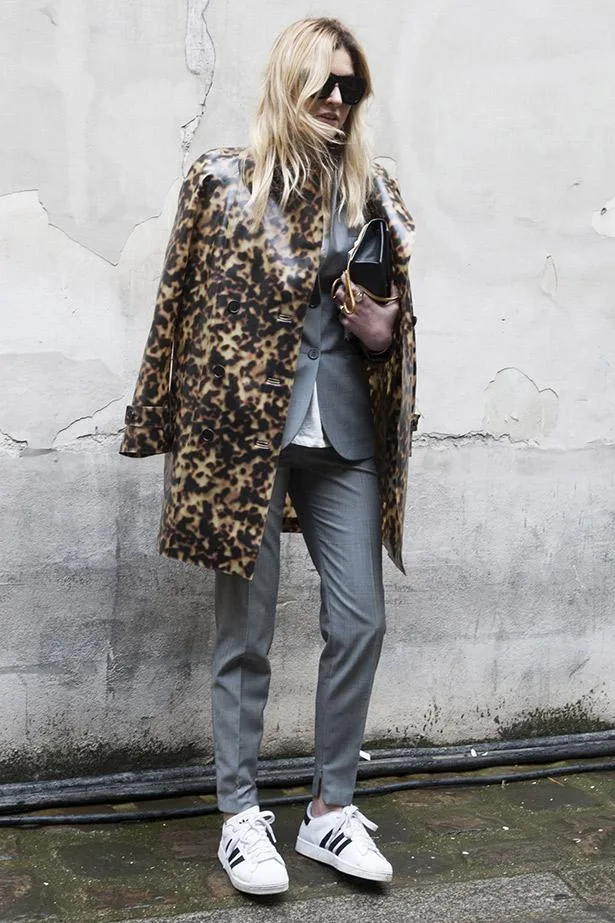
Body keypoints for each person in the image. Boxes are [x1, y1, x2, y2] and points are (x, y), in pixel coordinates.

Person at [120, 16, 417, 897]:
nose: (335, 99)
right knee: (244, 632)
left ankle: (328, 812)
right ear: (288, 83)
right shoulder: (221, 179)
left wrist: (383, 330)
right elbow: (175, 304)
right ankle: (240, 813)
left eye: (349, 86)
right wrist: (158, 422)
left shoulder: (376, 190)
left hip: (347, 436)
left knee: (358, 619)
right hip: (246, 436)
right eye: (321, 83)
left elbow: (396, 318)